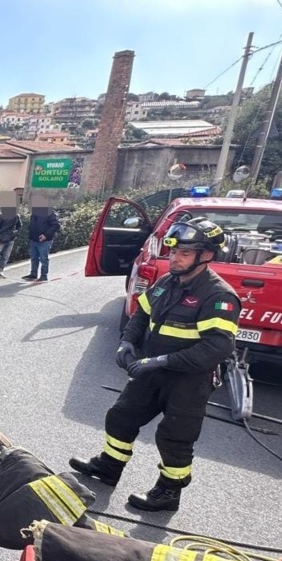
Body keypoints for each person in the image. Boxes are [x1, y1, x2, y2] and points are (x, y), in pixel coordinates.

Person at [69, 217, 240, 512]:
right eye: (173, 252)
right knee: (121, 416)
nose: (174, 258)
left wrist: (159, 361)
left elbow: (217, 347)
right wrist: (126, 343)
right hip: (152, 371)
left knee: (175, 437)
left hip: (188, 380)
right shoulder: (166, 283)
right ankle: (109, 467)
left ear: (207, 255)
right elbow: (141, 315)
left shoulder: (218, 295)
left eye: (184, 253)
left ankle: (168, 493)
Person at [22, 204, 60, 282]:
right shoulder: (34, 213)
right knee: (34, 258)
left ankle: (44, 276)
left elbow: (56, 225)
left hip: (45, 240)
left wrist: (46, 235)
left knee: (43, 258)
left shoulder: (49, 213)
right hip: (33, 239)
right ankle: (33, 274)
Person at [0, 207, 21, 278]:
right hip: (0, 240)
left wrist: (15, 234)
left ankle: (0, 271)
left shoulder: (16, 216)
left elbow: (19, 226)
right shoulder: (1, 216)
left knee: (5, 256)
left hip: (10, 240)